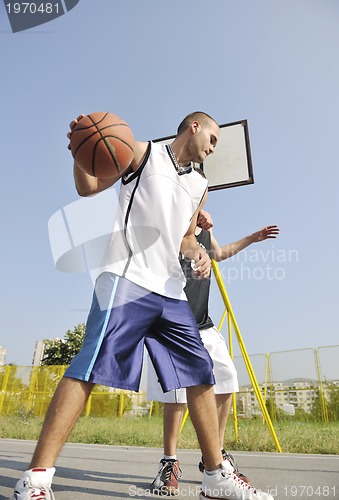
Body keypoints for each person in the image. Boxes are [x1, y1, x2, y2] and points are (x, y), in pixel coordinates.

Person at [13, 111, 273, 500]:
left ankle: (216, 476)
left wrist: (197, 253)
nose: (215, 147)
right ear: (194, 127)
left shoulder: (201, 185)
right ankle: (35, 478)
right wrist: (79, 153)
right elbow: (89, 188)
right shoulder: (141, 151)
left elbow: (185, 237)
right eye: (214, 138)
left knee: (202, 373)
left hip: (170, 290)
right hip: (126, 278)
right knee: (88, 366)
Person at [148, 210, 279, 495]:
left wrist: (252, 239)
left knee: (227, 378)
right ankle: (168, 463)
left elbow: (220, 253)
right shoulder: (170, 228)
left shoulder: (204, 232)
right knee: (177, 395)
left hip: (203, 324)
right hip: (172, 323)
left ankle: (214, 458)